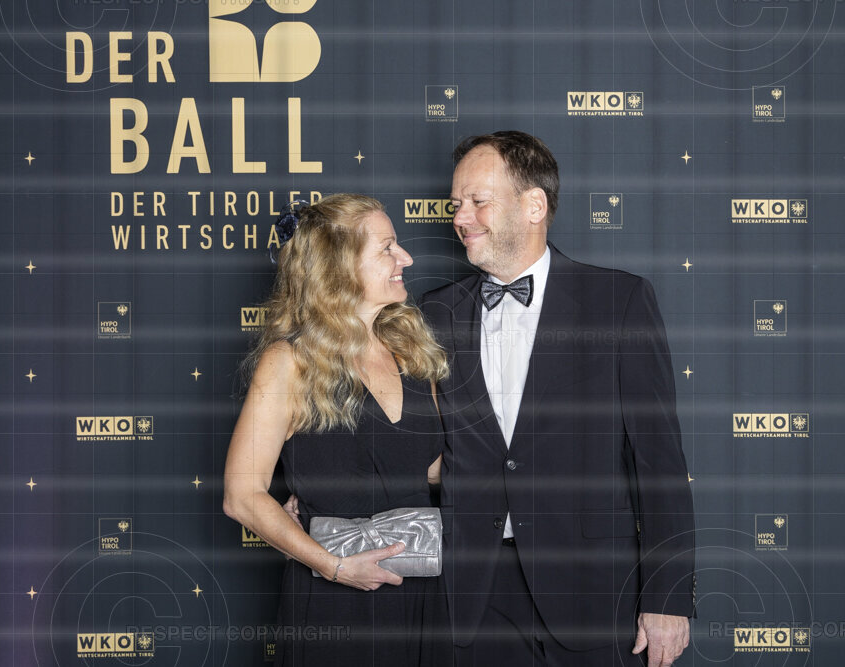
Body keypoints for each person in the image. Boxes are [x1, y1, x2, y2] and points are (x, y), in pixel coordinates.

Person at [418, 131, 696, 666]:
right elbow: (397, 436)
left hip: (592, 590)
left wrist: (667, 596)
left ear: (534, 206)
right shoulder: (433, 314)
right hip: (472, 598)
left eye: (478, 201)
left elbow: (659, 461)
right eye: (455, 204)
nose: (460, 217)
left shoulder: (617, 302)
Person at [223, 194, 452, 667]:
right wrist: (335, 567)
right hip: (336, 601)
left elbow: (429, 469)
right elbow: (241, 496)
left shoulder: (409, 348)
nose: (406, 258)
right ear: (339, 268)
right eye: (387, 248)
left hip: (423, 594)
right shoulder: (289, 362)